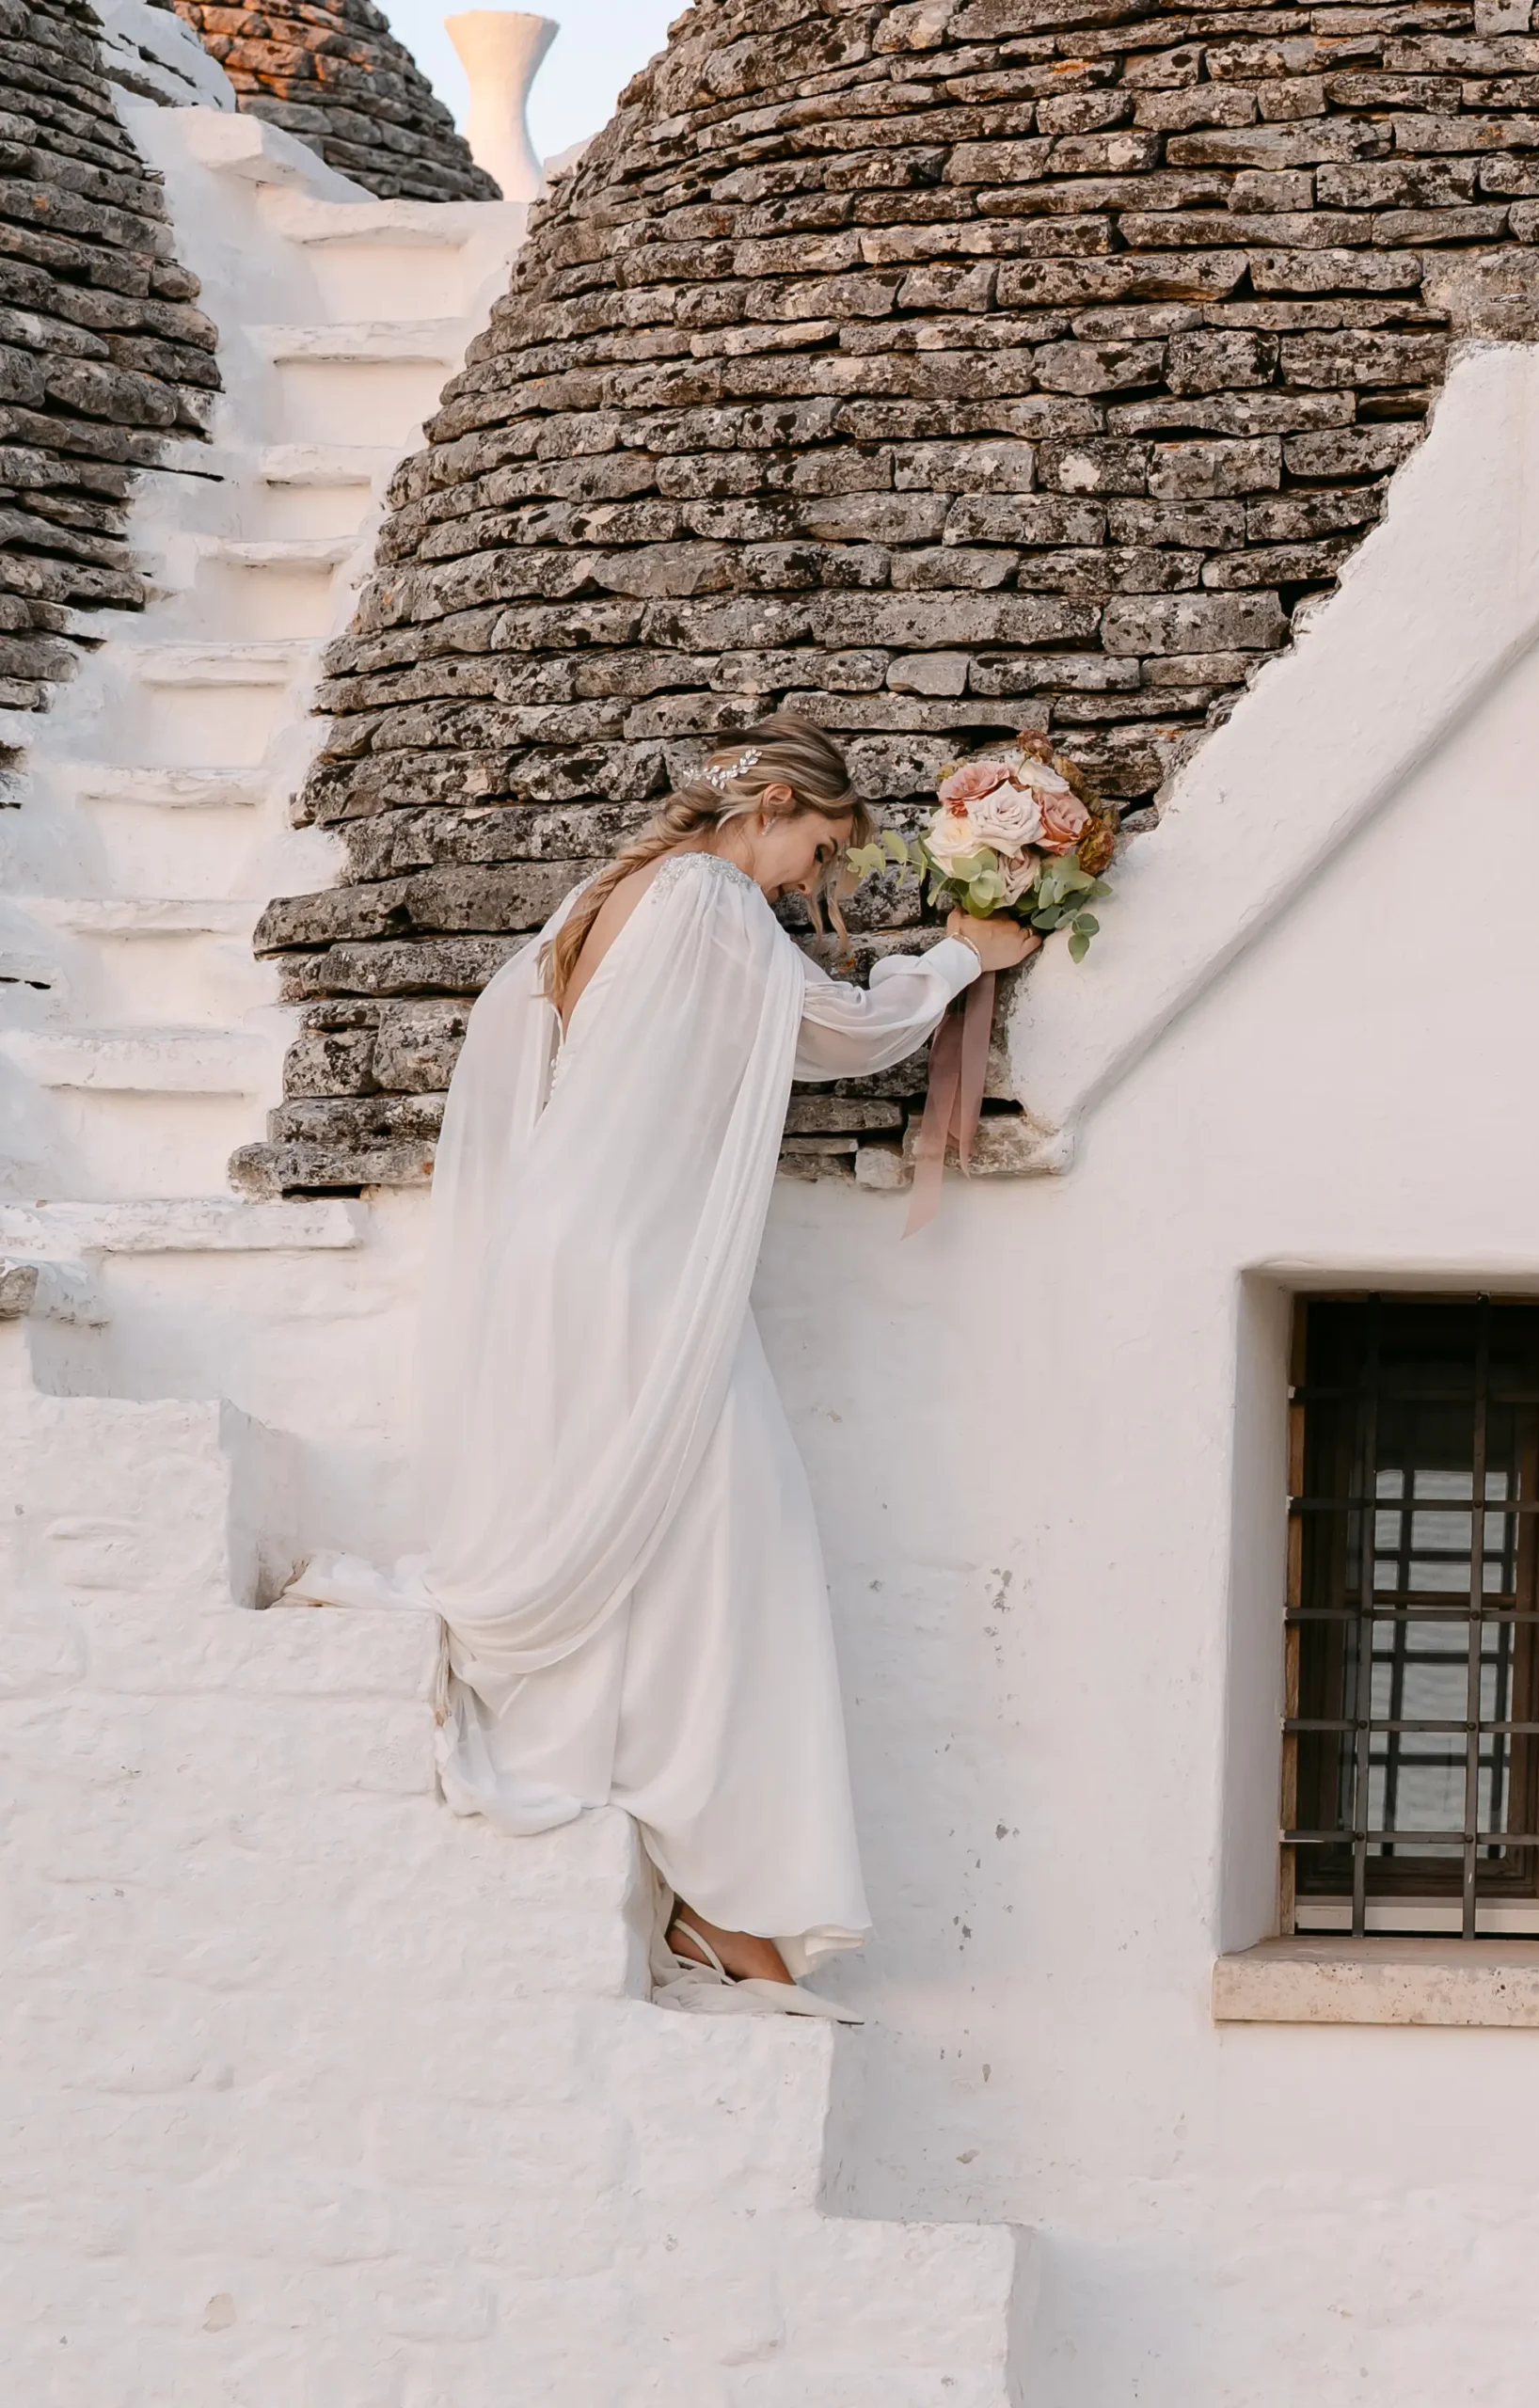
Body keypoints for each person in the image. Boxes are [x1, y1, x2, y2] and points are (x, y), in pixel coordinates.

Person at [289, 714, 1038, 2017]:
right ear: (766, 807)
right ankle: (725, 1905)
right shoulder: (702, 895)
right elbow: (839, 1028)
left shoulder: (607, 894)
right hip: (632, 1268)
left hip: (567, 1254)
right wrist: (955, 961)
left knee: (689, 1548)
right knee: (746, 1550)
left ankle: (718, 1907)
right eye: (814, 846)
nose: (811, 881)